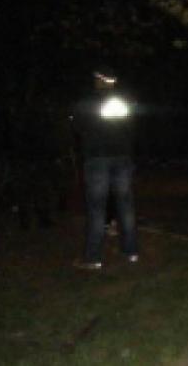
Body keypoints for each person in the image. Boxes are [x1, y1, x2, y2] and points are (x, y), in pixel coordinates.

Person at [71, 68, 138, 270]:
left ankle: (93, 257)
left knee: (96, 208)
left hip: (97, 158)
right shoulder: (124, 101)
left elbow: (78, 127)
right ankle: (130, 251)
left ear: (100, 80)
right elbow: (132, 127)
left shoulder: (87, 102)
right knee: (125, 205)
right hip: (122, 156)